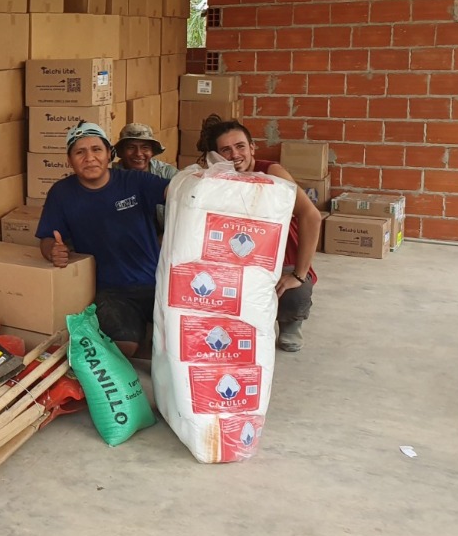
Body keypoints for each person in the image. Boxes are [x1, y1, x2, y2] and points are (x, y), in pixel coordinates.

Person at [35, 123, 170, 359]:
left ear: (109, 154)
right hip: (110, 290)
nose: (90, 158)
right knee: (123, 348)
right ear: (69, 160)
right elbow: (47, 238)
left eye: (97, 150)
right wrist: (52, 251)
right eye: (80, 152)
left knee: (178, 339)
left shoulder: (135, 181)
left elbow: (175, 191)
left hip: (157, 281)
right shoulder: (62, 193)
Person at [199, 119, 321, 353]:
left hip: (284, 258)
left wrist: (300, 273)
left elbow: (311, 216)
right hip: (242, 260)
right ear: (216, 156)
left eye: (240, 146)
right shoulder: (217, 181)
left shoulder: (272, 173)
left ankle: (290, 322)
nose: (235, 154)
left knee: (293, 289)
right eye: (226, 150)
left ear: (252, 148)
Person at [114, 122, 179, 180]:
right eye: (131, 147)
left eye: (145, 147)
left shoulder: (167, 174)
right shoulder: (111, 174)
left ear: (152, 151)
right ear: (121, 151)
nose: (138, 153)